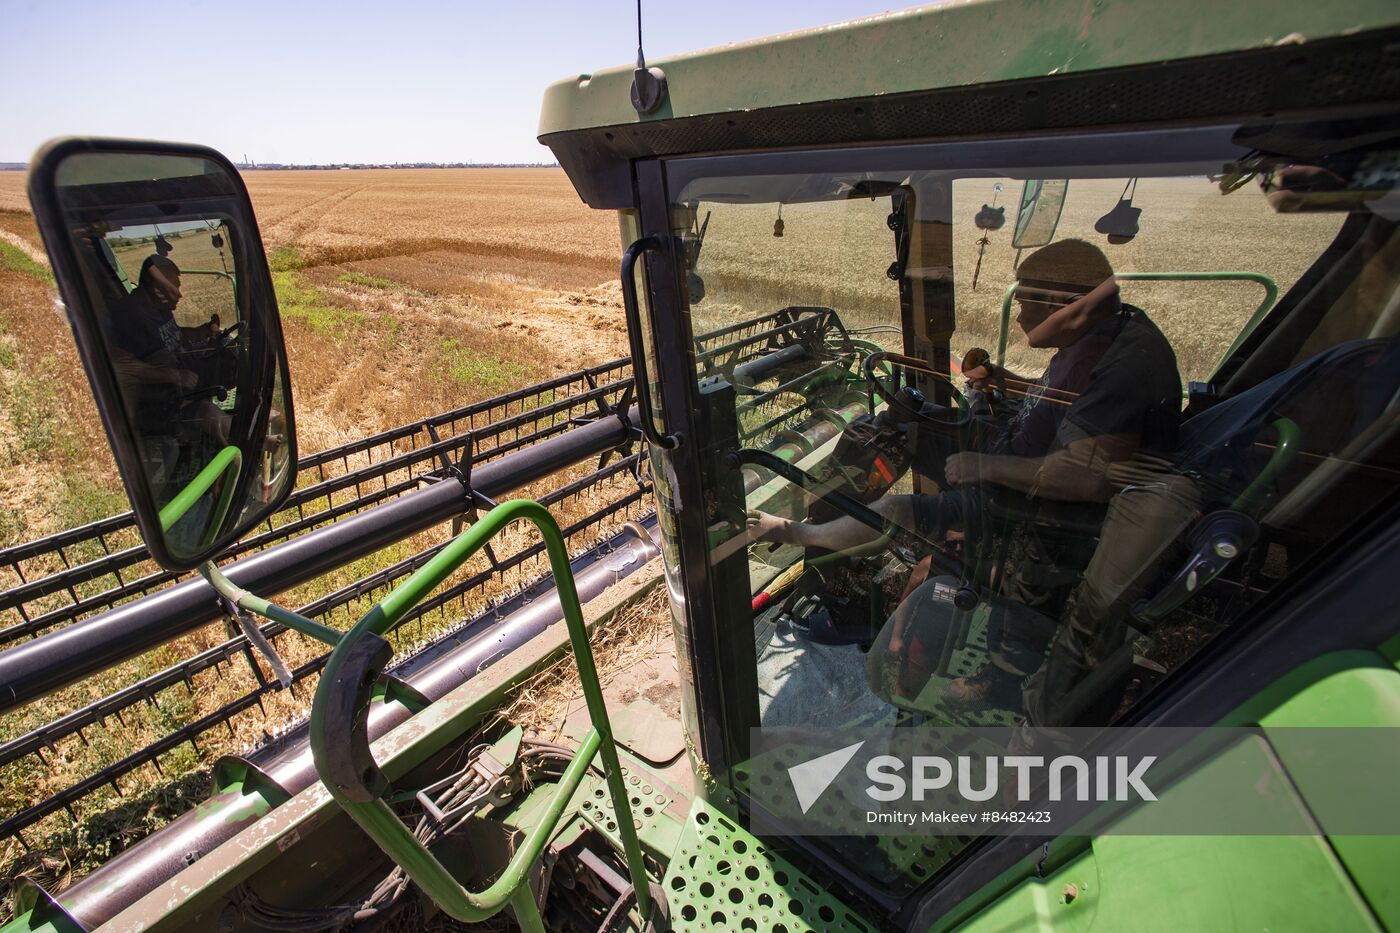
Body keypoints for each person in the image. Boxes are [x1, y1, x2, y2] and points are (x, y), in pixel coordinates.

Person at [749, 239, 1183, 709]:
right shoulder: (1105, 336)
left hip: (1029, 509)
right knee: (898, 423)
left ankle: (810, 539)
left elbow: (1087, 479)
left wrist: (982, 466)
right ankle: (842, 561)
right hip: (1015, 455)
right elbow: (1063, 403)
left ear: (1062, 303)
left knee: (895, 507)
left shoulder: (1119, 365)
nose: (1016, 316)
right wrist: (1007, 384)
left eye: (1023, 301)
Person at [107, 255, 229, 490]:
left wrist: (202, 332)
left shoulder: (157, 308)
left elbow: (173, 334)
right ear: (157, 288)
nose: (180, 294)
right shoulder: (132, 317)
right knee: (216, 391)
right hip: (158, 404)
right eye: (176, 286)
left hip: (175, 387)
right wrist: (174, 377)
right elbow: (124, 366)